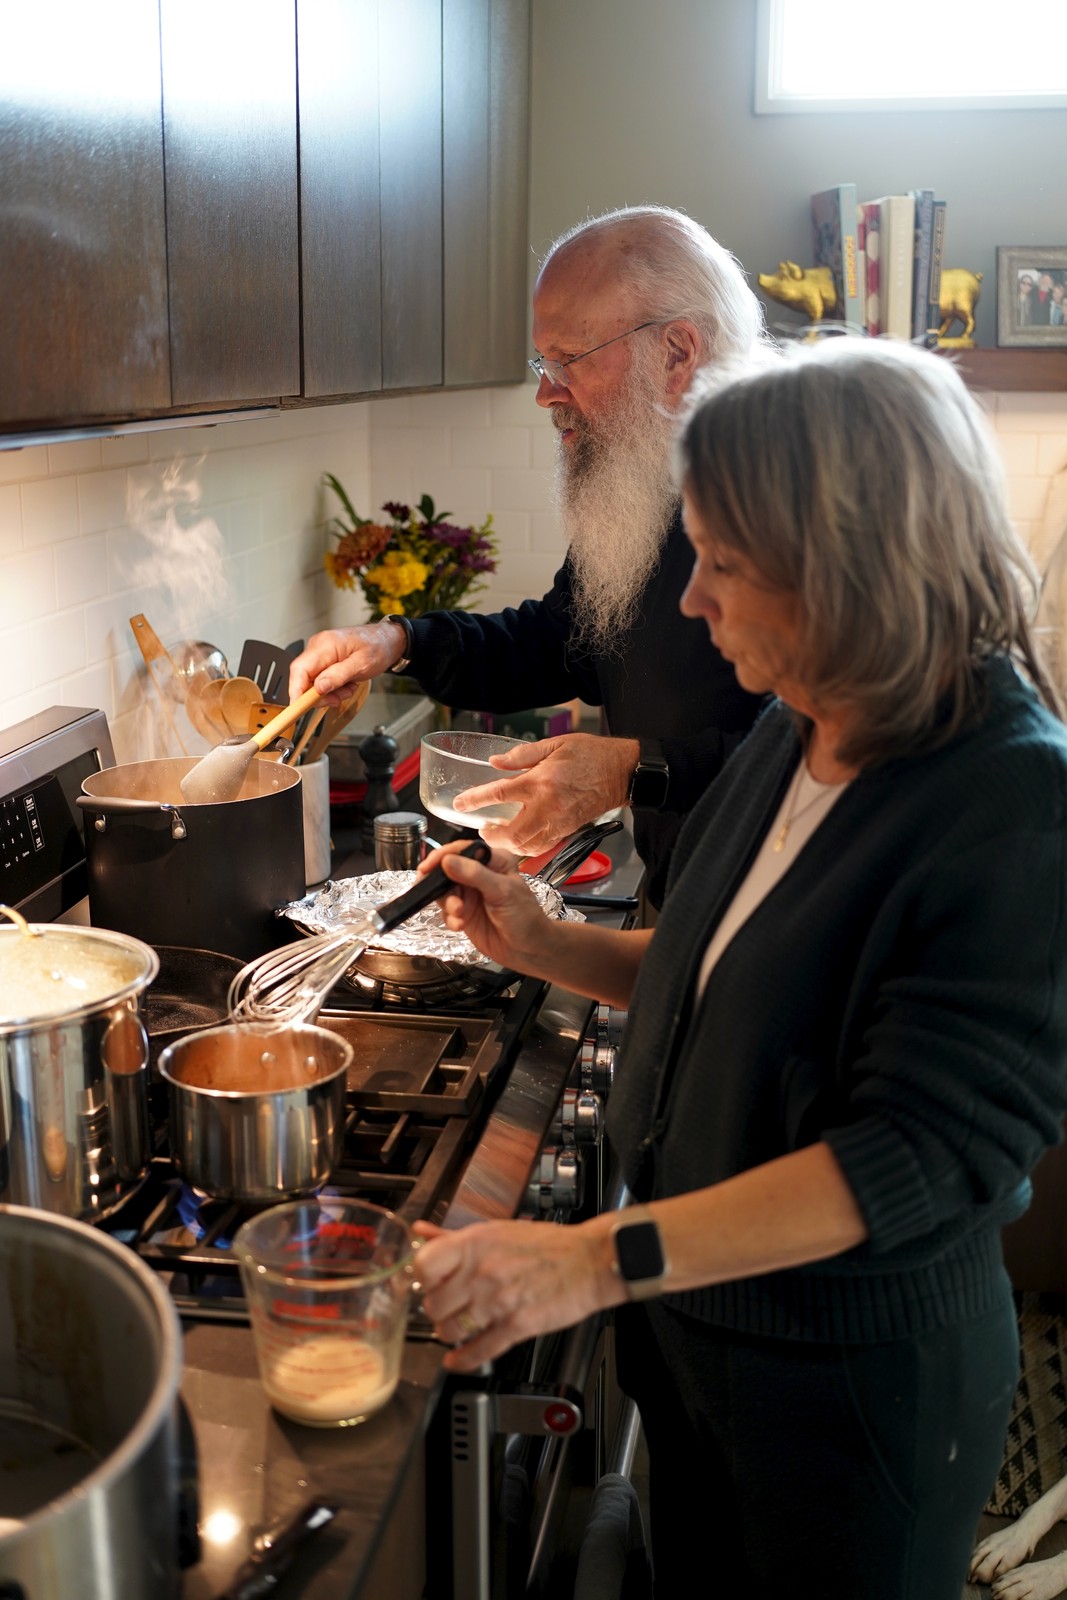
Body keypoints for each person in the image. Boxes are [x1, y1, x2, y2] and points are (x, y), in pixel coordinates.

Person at [411, 337, 1067, 1598]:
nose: (692, 602)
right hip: (702, 1345)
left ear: (842, 565)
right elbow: (729, 971)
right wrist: (550, 942)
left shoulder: (1011, 803)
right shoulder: (798, 720)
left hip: (846, 1404)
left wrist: (590, 1259)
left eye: (720, 562)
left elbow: (910, 1158)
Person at [288, 206, 768, 907]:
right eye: (543, 362)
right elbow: (562, 640)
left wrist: (633, 769)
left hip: (783, 918)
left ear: (676, 352)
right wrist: (397, 641)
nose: (546, 392)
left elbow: (831, 757)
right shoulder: (652, 482)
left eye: (567, 360)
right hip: (685, 905)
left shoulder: (789, 502)